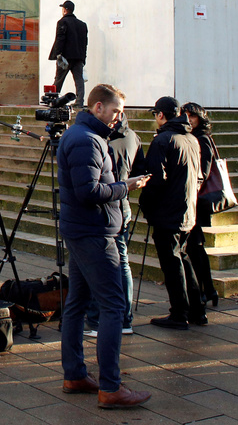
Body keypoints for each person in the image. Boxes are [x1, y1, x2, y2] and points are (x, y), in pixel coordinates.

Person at [57, 83, 151, 410]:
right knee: (113, 306)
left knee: (77, 302)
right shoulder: (87, 140)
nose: (118, 118)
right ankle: (110, 387)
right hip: (94, 233)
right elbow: (88, 192)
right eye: (115, 111)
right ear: (98, 107)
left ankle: (75, 375)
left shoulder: (84, 135)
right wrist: (126, 186)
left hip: (83, 230)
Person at [132, 96, 204, 330]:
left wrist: (145, 203)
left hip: (168, 212)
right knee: (182, 257)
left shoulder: (163, 140)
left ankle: (180, 313)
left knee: (172, 263)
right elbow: (199, 176)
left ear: (161, 115)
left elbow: (155, 178)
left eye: (156, 114)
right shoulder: (192, 138)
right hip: (187, 210)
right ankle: (197, 310)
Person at [83, 111, 140, 338]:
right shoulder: (132, 136)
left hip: (109, 206)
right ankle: (125, 318)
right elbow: (140, 169)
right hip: (123, 204)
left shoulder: (102, 140)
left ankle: (99, 319)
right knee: (122, 262)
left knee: (102, 264)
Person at [182, 101, 219, 308]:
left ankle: (206, 289)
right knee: (195, 246)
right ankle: (208, 289)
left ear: (200, 118)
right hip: (193, 200)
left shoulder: (201, 138)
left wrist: (191, 191)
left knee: (195, 246)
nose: (188, 120)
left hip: (196, 200)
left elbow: (202, 173)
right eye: (185, 115)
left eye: (192, 116)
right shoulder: (192, 137)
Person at [47, 1, 87, 103]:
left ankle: (53, 100)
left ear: (64, 10)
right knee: (79, 80)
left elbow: (60, 39)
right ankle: (79, 102)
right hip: (78, 57)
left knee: (59, 79)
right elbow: (84, 43)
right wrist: (83, 58)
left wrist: (58, 54)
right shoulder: (82, 25)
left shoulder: (62, 22)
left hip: (65, 57)